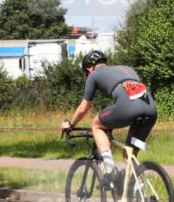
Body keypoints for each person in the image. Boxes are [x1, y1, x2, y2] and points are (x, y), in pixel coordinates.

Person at [60, 51, 157, 190]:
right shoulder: (126, 68)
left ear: (88, 68)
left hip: (128, 108)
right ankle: (140, 195)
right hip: (151, 111)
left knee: (97, 125)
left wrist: (70, 124)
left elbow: (83, 108)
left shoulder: (93, 74)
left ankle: (110, 170)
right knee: (129, 155)